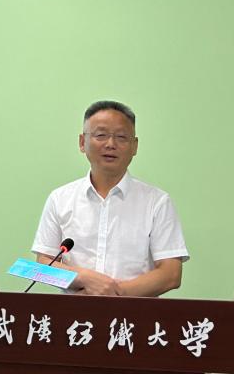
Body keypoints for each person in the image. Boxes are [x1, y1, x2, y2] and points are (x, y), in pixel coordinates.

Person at [31, 100, 188, 297]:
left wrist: (112, 294)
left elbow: (171, 274)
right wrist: (83, 278)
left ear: (134, 146)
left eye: (121, 137)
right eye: (101, 135)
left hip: (133, 314)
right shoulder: (60, 199)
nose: (111, 144)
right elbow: (43, 264)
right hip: (74, 313)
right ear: (82, 142)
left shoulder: (157, 202)